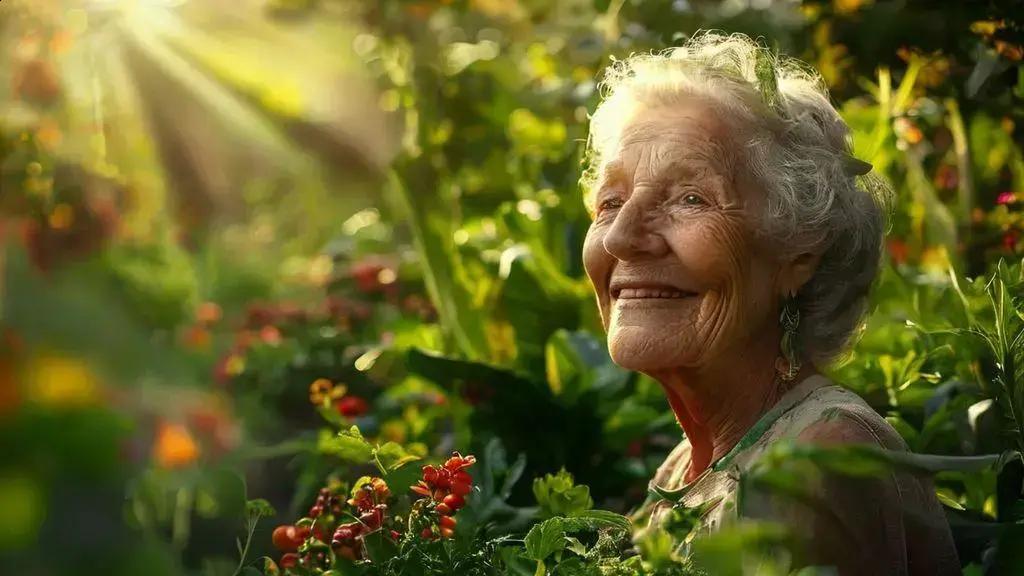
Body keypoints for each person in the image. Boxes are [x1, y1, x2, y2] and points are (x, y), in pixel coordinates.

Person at [580, 31, 960, 574]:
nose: (620, 238)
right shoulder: (682, 470)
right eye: (610, 201)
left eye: (692, 198)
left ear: (799, 251)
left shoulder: (823, 456)